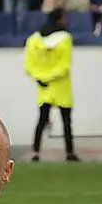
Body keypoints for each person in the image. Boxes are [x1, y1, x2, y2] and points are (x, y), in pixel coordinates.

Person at [24, 9, 79, 162]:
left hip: (43, 86)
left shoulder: (33, 40)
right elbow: (65, 64)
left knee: (42, 119)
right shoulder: (65, 38)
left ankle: (35, 152)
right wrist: (52, 76)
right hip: (61, 86)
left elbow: (29, 65)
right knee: (66, 121)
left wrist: (40, 78)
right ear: (60, 20)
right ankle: (70, 152)